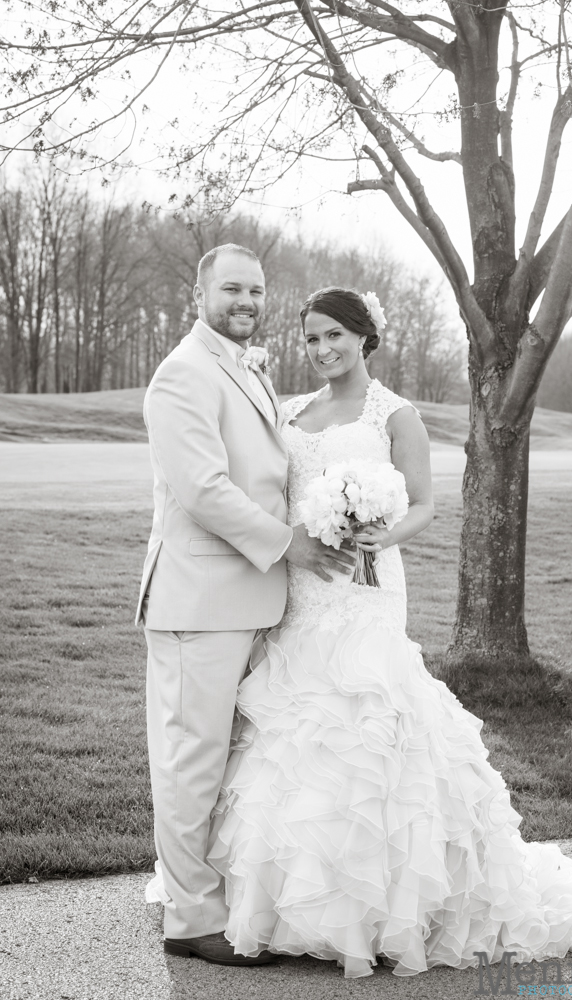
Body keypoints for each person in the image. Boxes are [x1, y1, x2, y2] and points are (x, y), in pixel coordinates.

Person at [177, 284, 572, 978]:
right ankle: (276, 896)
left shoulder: (394, 414)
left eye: (333, 335)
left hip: (366, 591)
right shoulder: (289, 412)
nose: (321, 350)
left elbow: (426, 504)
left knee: (367, 719)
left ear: (365, 337)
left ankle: (379, 903)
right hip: (303, 585)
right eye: (310, 338)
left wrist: (374, 535)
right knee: (291, 723)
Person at [137, 246, 353, 966]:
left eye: (256, 291)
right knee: (189, 761)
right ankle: (191, 918)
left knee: (228, 760)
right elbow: (203, 490)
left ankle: (211, 890)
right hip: (198, 601)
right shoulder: (182, 374)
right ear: (198, 291)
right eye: (231, 287)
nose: (247, 300)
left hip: (248, 600)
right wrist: (289, 543)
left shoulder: (240, 363)